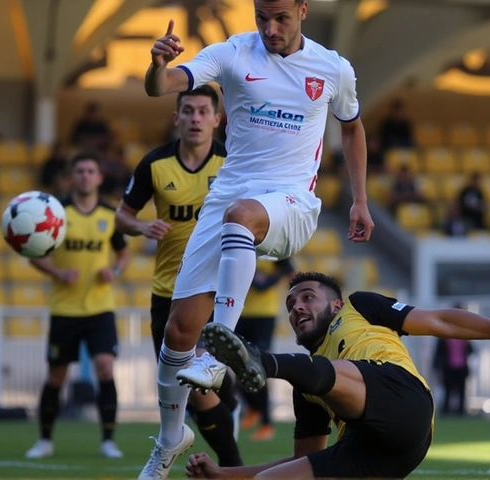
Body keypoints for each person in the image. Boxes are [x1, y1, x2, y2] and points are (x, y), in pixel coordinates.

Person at [138, 0, 374, 477]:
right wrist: (157, 65)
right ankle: (169, 438)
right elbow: (163, 86)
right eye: (261, 17)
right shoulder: (231, 54)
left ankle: (220, 352)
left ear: (303, 10)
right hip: (228, 200)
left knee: (241, 216)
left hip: (291, 204)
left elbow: (351, 129)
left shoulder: (332, 68)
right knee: (178, 331)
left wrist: (359, 199)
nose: (269, 28)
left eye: (280, 18)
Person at [192, 271, 490, 479]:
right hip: (375, 456)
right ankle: (260, 363)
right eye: (291, 304)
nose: (296, 307)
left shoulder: (358, 307)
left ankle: (260, 360)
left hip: (403, 403)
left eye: (307, 296)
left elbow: (440, 320)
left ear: (336, 304)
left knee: (320, 371)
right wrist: (229, 475)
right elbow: (302, 461)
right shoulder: (306, 383)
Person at [115, 85, 243, 467]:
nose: (196, 119)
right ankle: (226, 399)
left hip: (213, 290)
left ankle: (232, 468)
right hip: (167, 291)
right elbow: (122, 215)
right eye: (188, 111)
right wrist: (140, 227)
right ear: (177, 118)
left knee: (195, 389)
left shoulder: (232, 162)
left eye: (204, 112)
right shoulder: (154, 165)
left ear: (218, 119)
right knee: (193, 393)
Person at [25, 151, 130, 460]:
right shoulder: (55, 213)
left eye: (90, 171)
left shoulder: (110, 215)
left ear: (99, 178)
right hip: (64, 309)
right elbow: (34, 254)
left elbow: (122, 253)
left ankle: (108, 440)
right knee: (56, 376)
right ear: (72, 177)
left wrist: (116, 271)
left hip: (100, 308)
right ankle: (45, 440)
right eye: (80, 171)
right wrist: (57, 272)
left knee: (105, 368)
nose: (85, 176)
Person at [236, 258, 295, 441]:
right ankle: (252, 407)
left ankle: (266, 423)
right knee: (235, 365)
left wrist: (266, 279)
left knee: (257, 366)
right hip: (239, 312)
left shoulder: (273, 250)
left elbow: (288, 271)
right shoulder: (238, 246)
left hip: (264, 316)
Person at [433, 304, 474, 416]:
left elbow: (471, 350)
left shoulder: (465, 332)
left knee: (461, 392)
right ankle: (446, 412)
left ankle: (461, 412)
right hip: (448, 367)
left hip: (461, 367)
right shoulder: (444, 333)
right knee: (448, 391)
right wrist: (437, 369)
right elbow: (438, 353)